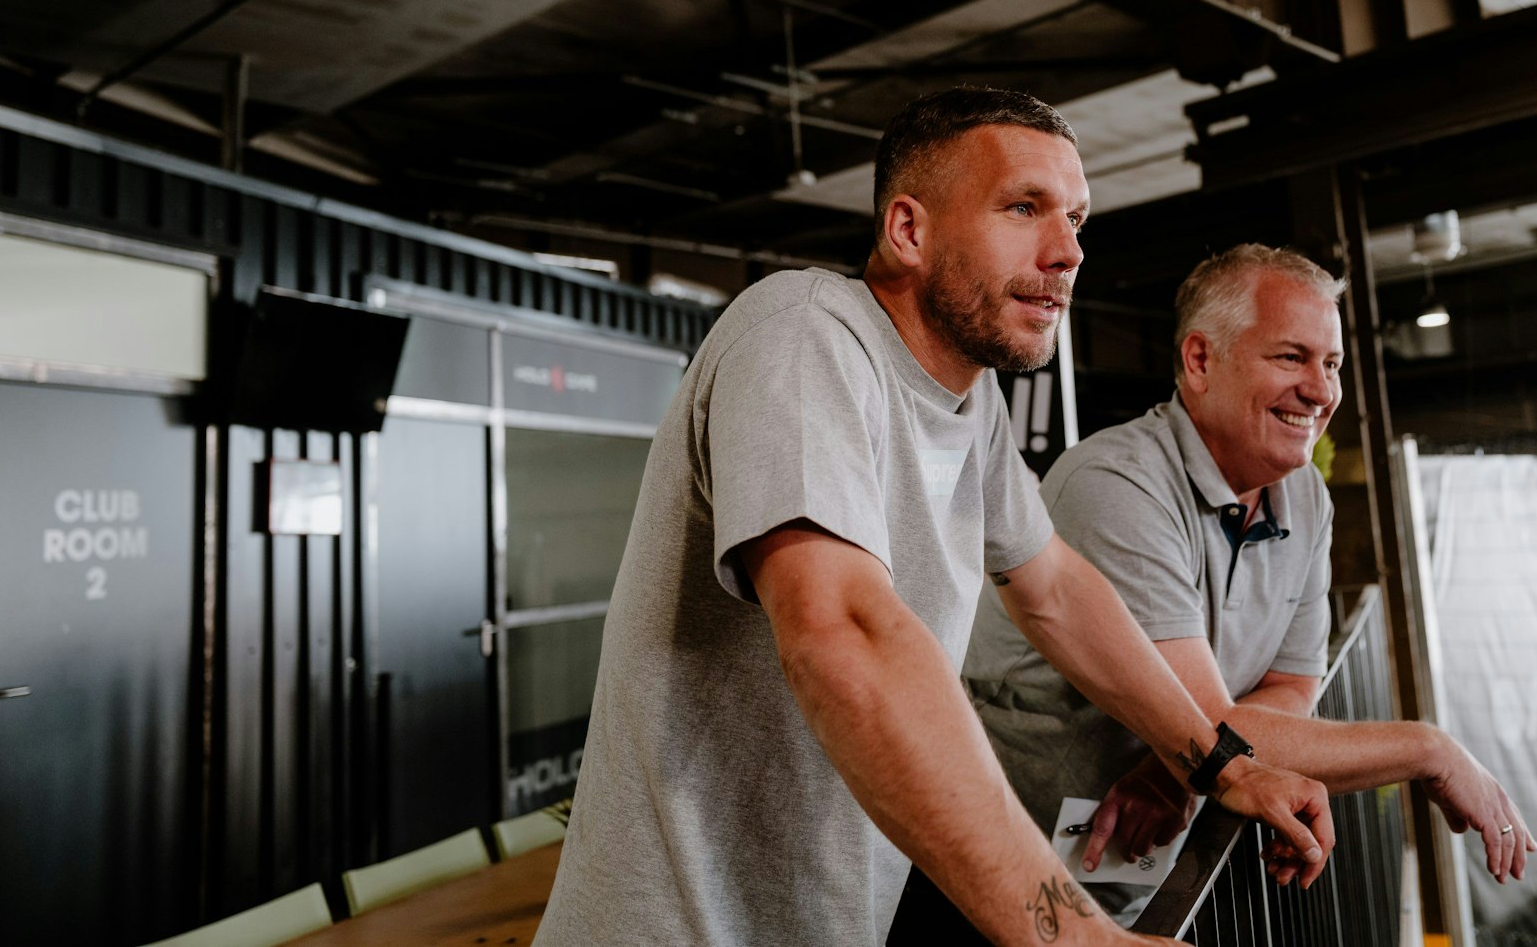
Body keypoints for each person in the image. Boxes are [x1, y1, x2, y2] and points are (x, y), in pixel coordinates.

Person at [536, 90, 1342, 947]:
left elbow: (1055, 590)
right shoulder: (805, 334)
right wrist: (1073, 937)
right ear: (909, 230)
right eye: (1024, 207)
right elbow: (843, 629)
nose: (1068, 250)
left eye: (1075, 218)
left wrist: (1220, 762)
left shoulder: (972, 402)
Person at [923, 245, 1535, 932]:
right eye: (1291, 357)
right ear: (1200, 360)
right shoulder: (1117, 485)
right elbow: (1212, 725)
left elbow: (1286, 689)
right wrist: (1429, 749)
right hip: (981, 883)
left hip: (1126, 889)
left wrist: (1179, 764)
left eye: (1330, 364)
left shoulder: (1303, 496)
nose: (1322, 390)